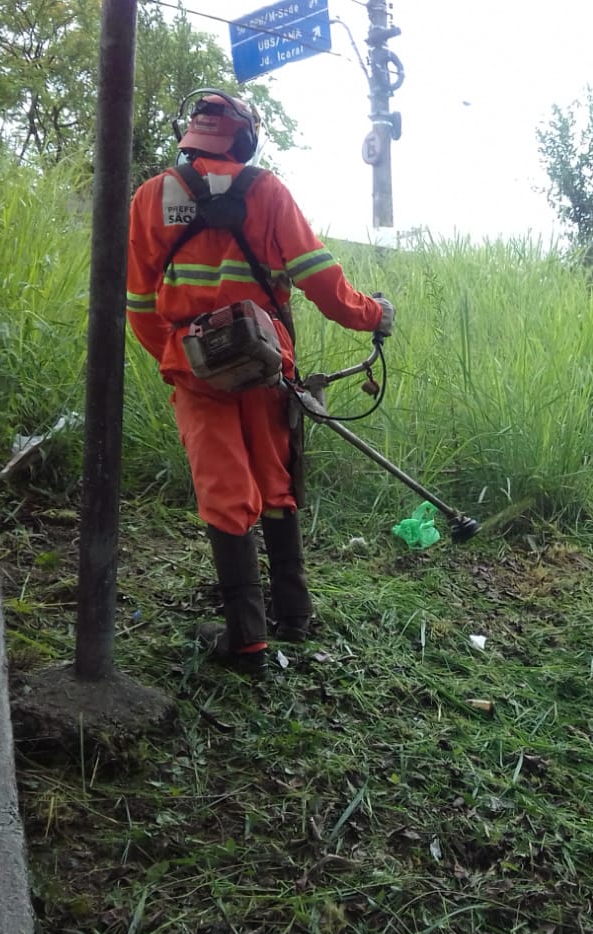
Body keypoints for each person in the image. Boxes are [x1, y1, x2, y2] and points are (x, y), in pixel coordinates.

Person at [125, 88, 394, 678]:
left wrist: (180, 357)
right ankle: (293, 615)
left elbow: (138, 303)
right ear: (244, 139)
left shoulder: (150, 197)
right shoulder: (267, 191)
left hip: (196, 368)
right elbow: (322, 280)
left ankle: (247, 639)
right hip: (268, 363)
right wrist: (374, 314)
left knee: (224, 489)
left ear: (190, 137)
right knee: (274, 479)